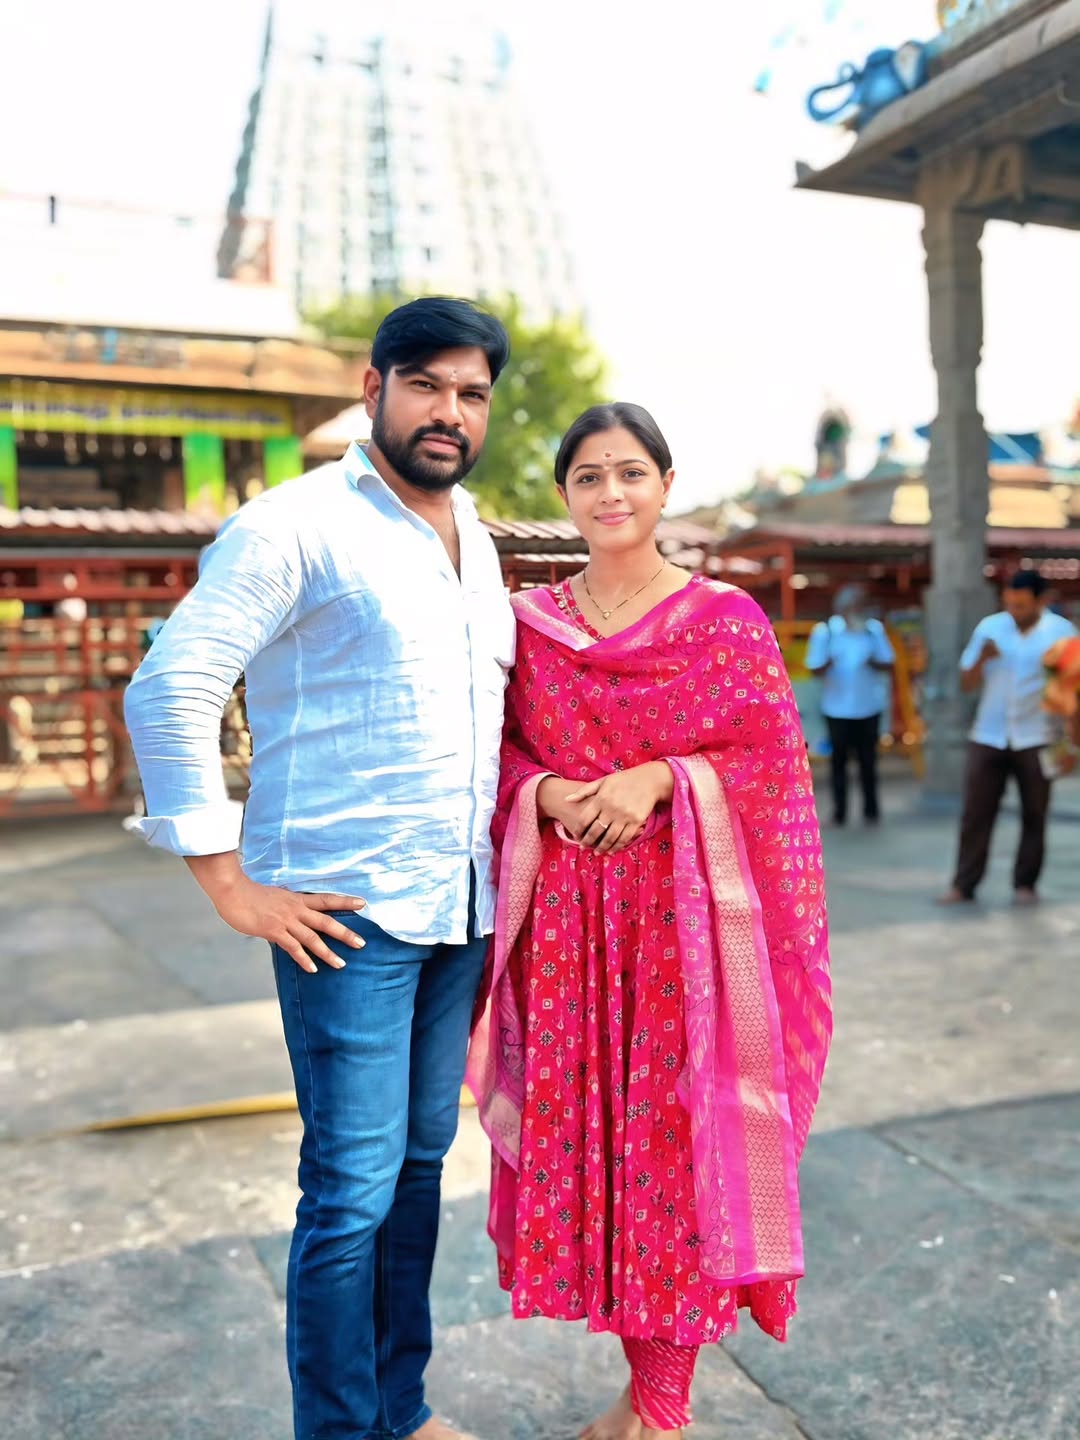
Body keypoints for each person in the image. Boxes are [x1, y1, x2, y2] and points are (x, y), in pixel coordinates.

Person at [124, 297, 515, 1440]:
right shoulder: (293, 525)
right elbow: (171, 686)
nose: (449, 412)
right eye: (427, 384)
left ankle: (401, 1408)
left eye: (472, 394)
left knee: (418, 1171)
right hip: (347, 917)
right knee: (349, 1192)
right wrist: (228, 882)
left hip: (460, 906)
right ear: (374, 387)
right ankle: (341, 1430)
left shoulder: (476, 535)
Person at [467, 403, 833, 1440]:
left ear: (666, 485)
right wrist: (543, 792)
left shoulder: (724, 621)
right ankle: (641, 1395)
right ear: (565, 495)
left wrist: (662, 777)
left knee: (671, 1153)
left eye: (631, 472)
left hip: (688, 936)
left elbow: (769, 763)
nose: (612, 493)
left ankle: (663, 1411)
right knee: (599, 1151)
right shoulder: (528, 625)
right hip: (568, 936)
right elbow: (489, 752)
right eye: (589, 476)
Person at [940, 569, 1077, 906]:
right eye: (1010, 604)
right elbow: (966, 685)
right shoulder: (990, 628)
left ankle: (1025, 884)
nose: (1014, 611)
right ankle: (964, 884)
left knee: (1035, 813)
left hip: (1038, 736)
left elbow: (1073, 693)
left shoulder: (1062, 633)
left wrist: (1072, 745)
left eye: (1022, 606)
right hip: (988, 735)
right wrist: (982, 659)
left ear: (1041, 601)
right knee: (976, 813)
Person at [804, 584, 895, 826]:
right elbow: (814, 668)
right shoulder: (826, 632)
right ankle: (839, 812)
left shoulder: (873, 631)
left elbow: (889, 663)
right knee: (839, 763)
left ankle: (871, 811)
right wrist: (831, 661)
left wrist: (871, 661)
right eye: (855, 605)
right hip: (837, 709)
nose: (859, 610)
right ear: (843, 608)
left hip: (868, 707)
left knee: (868, 762)